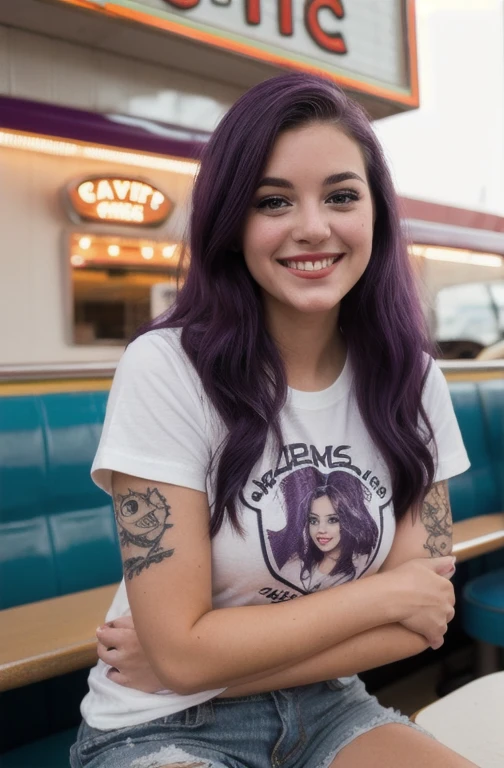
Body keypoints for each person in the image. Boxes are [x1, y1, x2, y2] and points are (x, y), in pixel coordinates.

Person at [70, 73, 476, 768]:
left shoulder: (414, 380)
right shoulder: (167, 369)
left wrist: (199, 660)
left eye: (342, 196)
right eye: (273, 201)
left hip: (330, 703)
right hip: (161, 726)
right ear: (232, 224)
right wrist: (383, 594)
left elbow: (425, 623)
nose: (312, 227)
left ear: (375, 212)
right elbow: (179, 656)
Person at [268, 467, 379, 591]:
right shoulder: (295, 564)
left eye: (332, 520)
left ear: (348, 520)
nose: (321, 529)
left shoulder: (362, 564)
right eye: (314, 520)